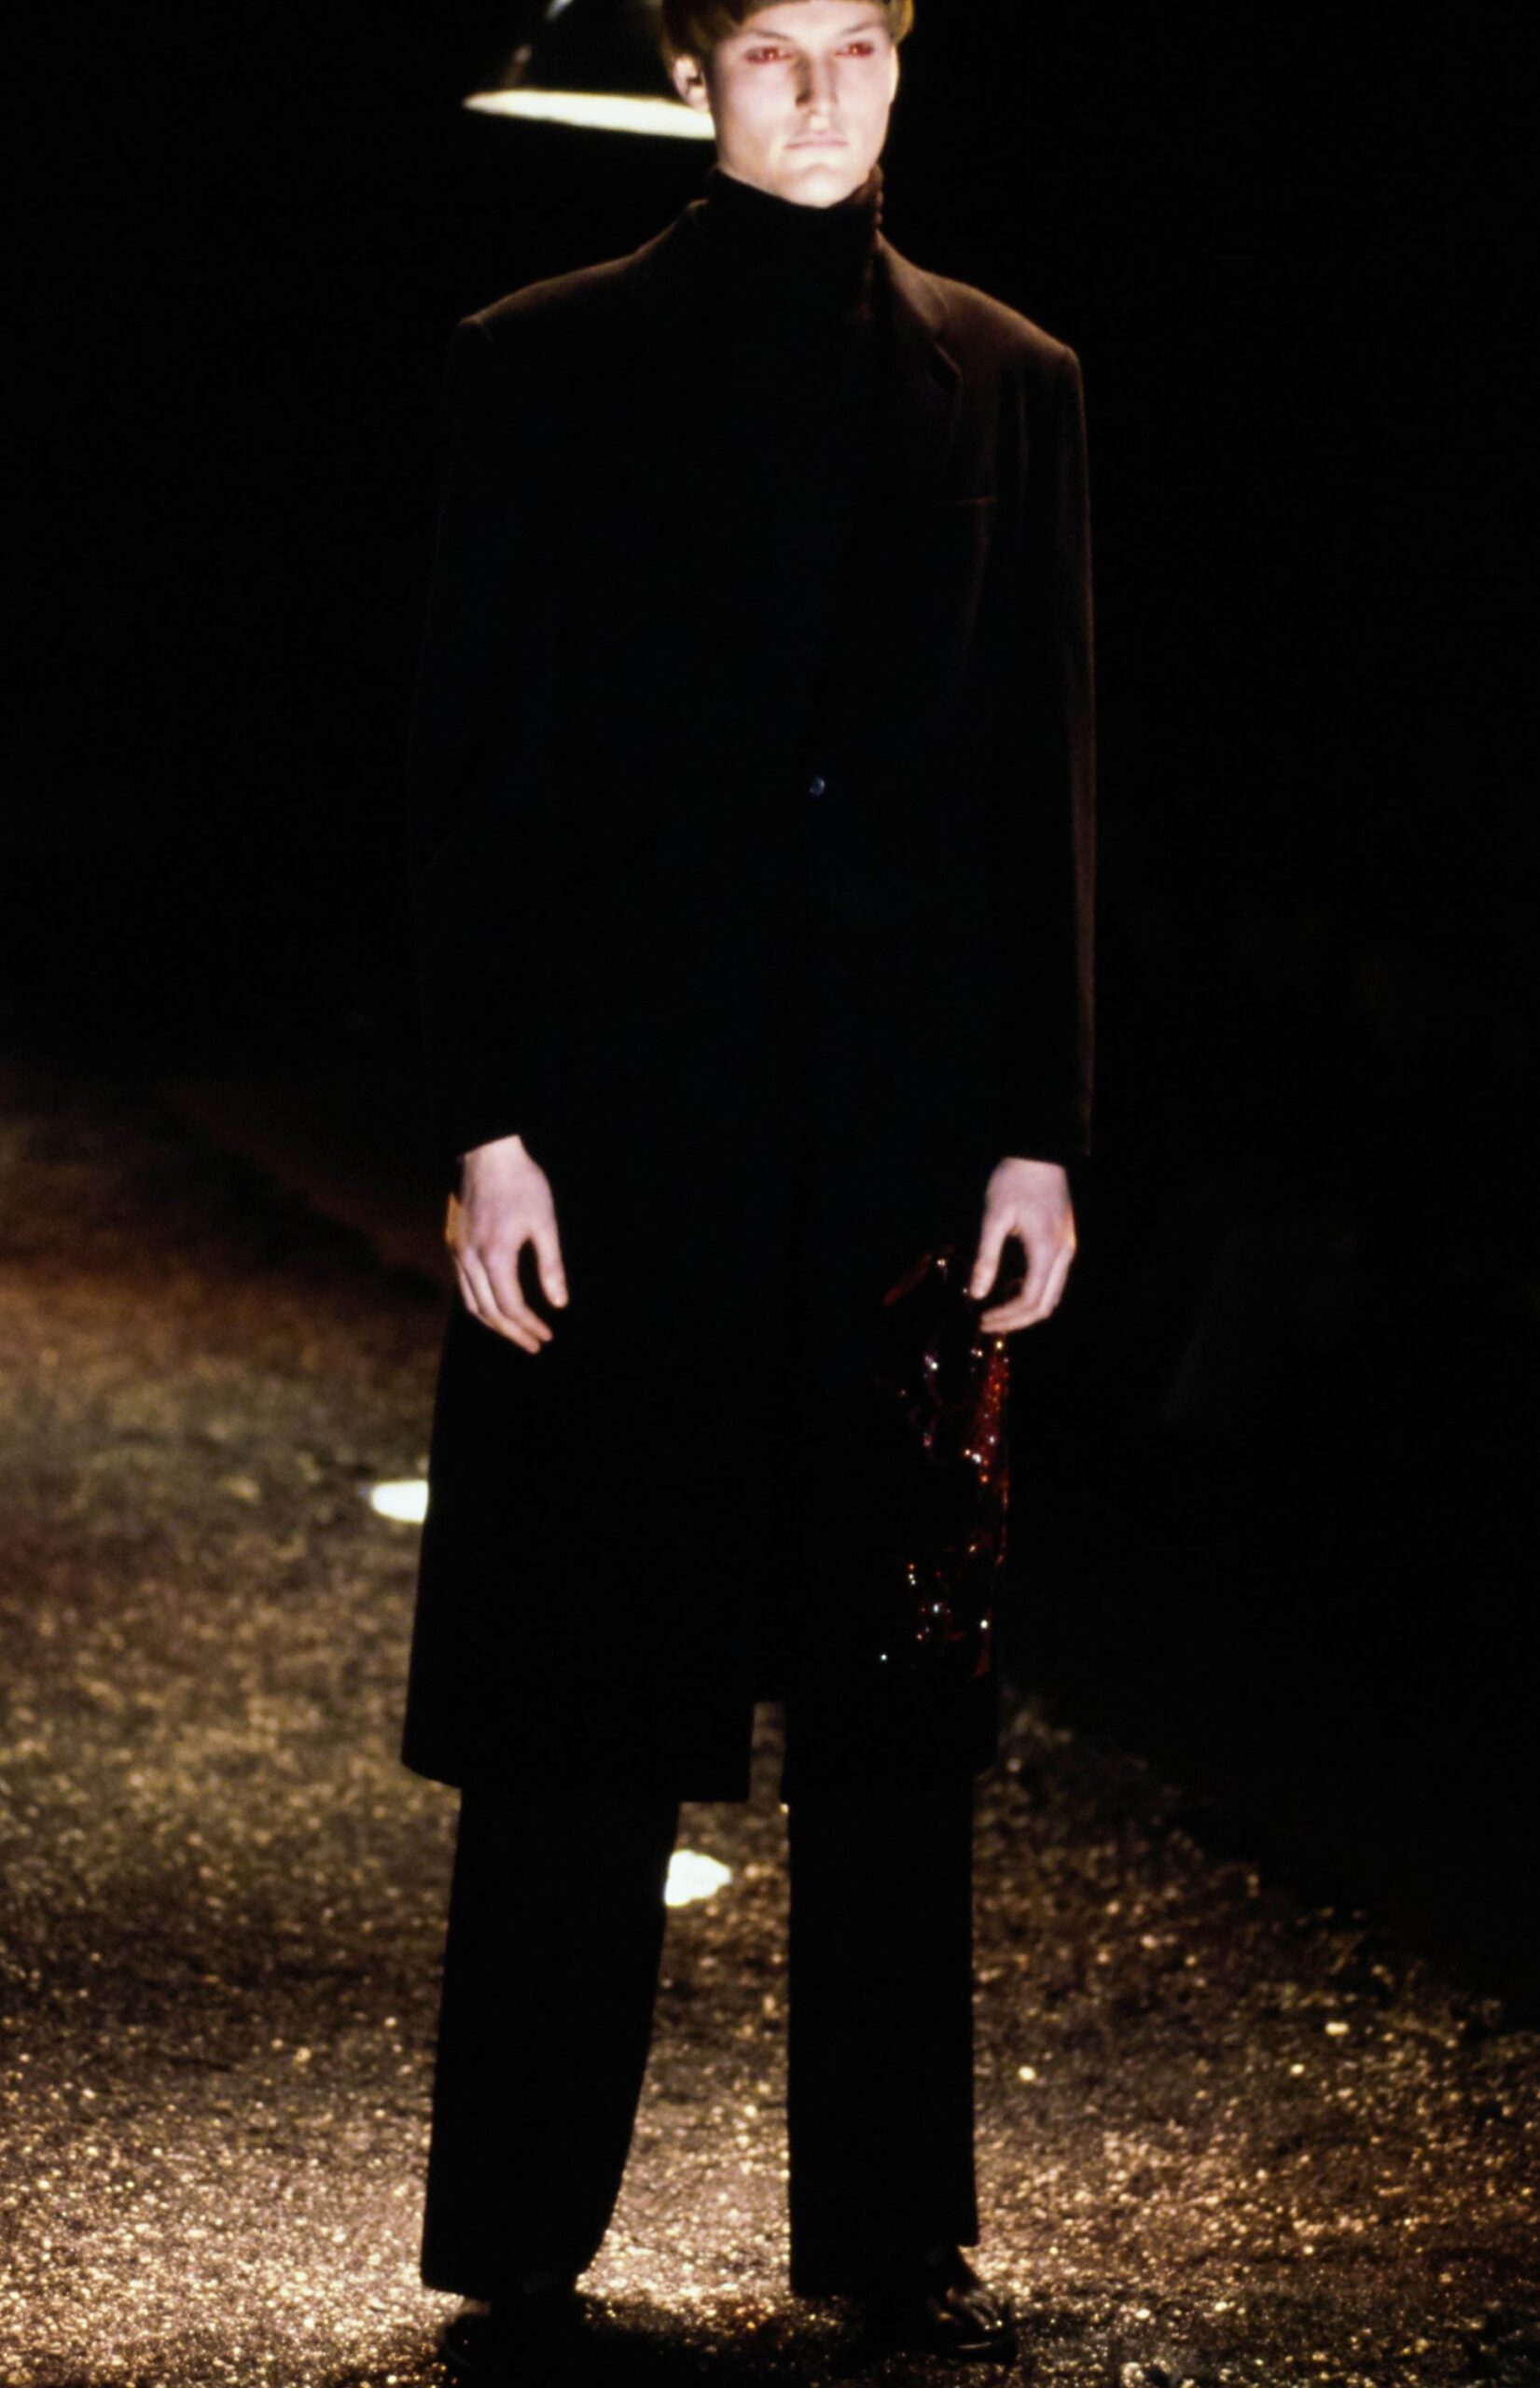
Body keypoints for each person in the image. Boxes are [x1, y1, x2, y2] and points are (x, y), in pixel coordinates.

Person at [399, 0, 1094, 2373]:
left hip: (900, 1126)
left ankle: (890, 2229)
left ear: (903, 66)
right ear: (697, 72)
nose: (818, 95)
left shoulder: (1011, 376)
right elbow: (473, 756)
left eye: (859, 50)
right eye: (775, 50)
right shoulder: (539, 358)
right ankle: (517, 2231)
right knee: (583, 1672)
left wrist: (1042, 1122)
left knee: (897, 1683)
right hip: (621, 1119)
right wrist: (486, 1121)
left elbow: (1042, 769)